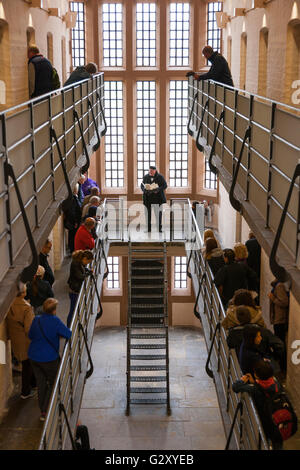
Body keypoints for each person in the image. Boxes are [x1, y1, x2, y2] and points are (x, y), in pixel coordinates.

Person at [28, 298, 71, 421]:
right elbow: (68, 334)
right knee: (53, 383)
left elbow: (30, 335)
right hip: (49, 358)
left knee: (41, 383)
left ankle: (42, 411)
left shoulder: (37, 320)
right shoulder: (55, 321)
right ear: (54, 310)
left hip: (34, 357)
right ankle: (48, 409)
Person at [232, 361, 285, 450]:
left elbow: (235, 387)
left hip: (266, 423)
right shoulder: (276, 384)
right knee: (278, 444)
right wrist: (255, 382)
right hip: (279, 421)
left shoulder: (255, 389)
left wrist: (243, 379)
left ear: (256, 375)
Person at [226, 306, 285, 371]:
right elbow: (279, 345)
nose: (259, 338)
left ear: (237, 318)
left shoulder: (234, 333)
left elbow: (230, 343)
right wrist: (274, 358)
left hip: (248, 369)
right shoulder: (262, 331)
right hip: (266, 367)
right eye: (258, 337)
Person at [6, 284, 36, 399]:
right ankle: (25, 392)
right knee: (27, 366)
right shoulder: (26, 308)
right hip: (26, 341)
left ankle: (34, 384)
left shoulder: (10, 304)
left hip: (15, 339)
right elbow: (29, 328)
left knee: (27, 364)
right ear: (23, 293)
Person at [67, 250, 94, 327]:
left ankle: (71, 326)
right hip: (74, 290)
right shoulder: (75, 264)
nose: (87, 264)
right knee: (72, 310)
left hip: (75, 289)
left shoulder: (79, 262)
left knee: (74, 309)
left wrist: (88, 270)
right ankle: (69, 327)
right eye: (88, 262)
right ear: (85, 258)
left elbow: (83, 268)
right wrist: (89, 273)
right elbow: (80, 276)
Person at [268, 279, 289, 373]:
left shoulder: (279, 286)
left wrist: (273, 298)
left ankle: (282, 367)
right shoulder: (278, 284)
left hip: (280, 320)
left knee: (280, 344)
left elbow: (284, 302)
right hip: (278, 319)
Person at [141, 166, 167, 233]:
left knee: (158, 214)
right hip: (148, 198)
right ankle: (148, 229)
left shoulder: (160, 177)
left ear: (155, 171)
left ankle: (159, 229)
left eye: (151, 171)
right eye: (149, 171)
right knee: (147, 214)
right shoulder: (145, 176)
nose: (150, 172)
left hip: (157, 199)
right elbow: (142, 185)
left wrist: (158, 189)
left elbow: (165, 185)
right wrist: (144, 189)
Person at [63, 184, 82, 254]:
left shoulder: (72, 198)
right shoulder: (73, 199)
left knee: (72, 235)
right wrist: (75, 222)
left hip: (72, 221)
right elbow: (73, 211)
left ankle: (73, 249)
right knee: (73, 236)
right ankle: (73, 250)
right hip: (73, 222)